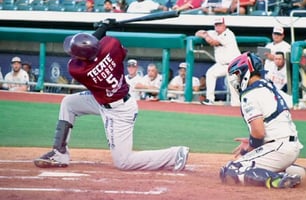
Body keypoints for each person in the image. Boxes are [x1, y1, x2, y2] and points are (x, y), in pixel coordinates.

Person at [33, 19, 190, 171]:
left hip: (119, 111)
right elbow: (99, 46)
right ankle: (59, 154)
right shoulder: (112, 44)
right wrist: (106, 28)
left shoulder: (77, 70)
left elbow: (90, 47)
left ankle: (175, 155)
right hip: (103, 99)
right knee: (69, 103)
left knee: (124, 162)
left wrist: (103, 27)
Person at [219, 52, 303, 188]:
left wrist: (249, 148)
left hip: (278, 148)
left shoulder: (250, 94)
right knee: (253, 163)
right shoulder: (266, 85)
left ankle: (278, 179)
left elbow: (258, 133)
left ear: (246, 71)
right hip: (287, 146)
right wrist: (253, 141)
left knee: (231, 171)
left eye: (237, 74)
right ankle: (303, 172)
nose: (236, 79)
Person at [195, 17, 241, 106]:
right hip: (222, 65)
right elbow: (197, 33)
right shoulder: (213, 33)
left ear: (224, 25)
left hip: (234, 64)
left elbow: (213, 42)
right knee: (210, 73)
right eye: (216, 25)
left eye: (220, 24)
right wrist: (205, 34)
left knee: (233, 88)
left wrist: (206, 36)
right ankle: (210, 99)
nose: (218, 26)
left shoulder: (228, 34)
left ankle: (236, 108)